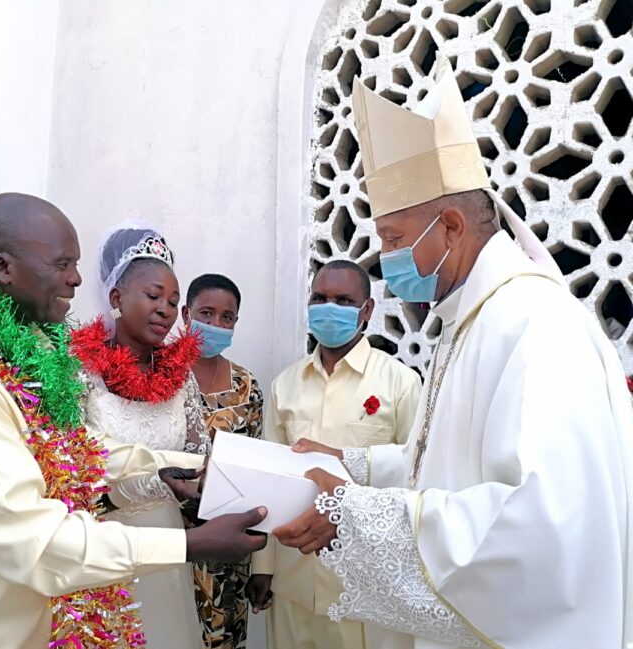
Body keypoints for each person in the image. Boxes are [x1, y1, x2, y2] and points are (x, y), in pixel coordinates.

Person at [274, 55, 633, 648]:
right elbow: (438, 461)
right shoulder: (470, 318)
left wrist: (353, 515)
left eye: (392, 239)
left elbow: (543, 525)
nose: (385, 263)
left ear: (450, 227)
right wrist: (348, 464)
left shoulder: (534, 325)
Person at [0, 194, 267, 649]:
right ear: (3, 267)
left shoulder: (22, 355)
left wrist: (165, 468)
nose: (77, 279)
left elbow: (71, 450)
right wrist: (192, 546)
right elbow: (36, 542)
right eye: (62, 263)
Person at [247, 259, 421, 649]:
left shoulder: (401, 384)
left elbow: (415, 477)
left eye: (344, 300)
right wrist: (264, 567)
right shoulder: (285, 385)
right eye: (320, 298)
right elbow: (269, 480)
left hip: (363, 587)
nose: (330, 308)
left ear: (367, 310)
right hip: (295, 578)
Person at [71, 226, 214, 649]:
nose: (165, 311)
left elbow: (198, 452)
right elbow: (71, 467)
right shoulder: (80, 373)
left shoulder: (181, 376)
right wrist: (154, 478)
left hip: (168, 539)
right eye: (153, 297)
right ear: (116, 298)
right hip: (101, 541)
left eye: (173, 301)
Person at [182, 273, 264, 649]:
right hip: (174, 538)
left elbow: (258, 466)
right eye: (207, 313)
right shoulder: (160, 376)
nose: (216, 324)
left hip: (228, 546)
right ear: (186, 313)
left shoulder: (246, 385)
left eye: (227, 317)